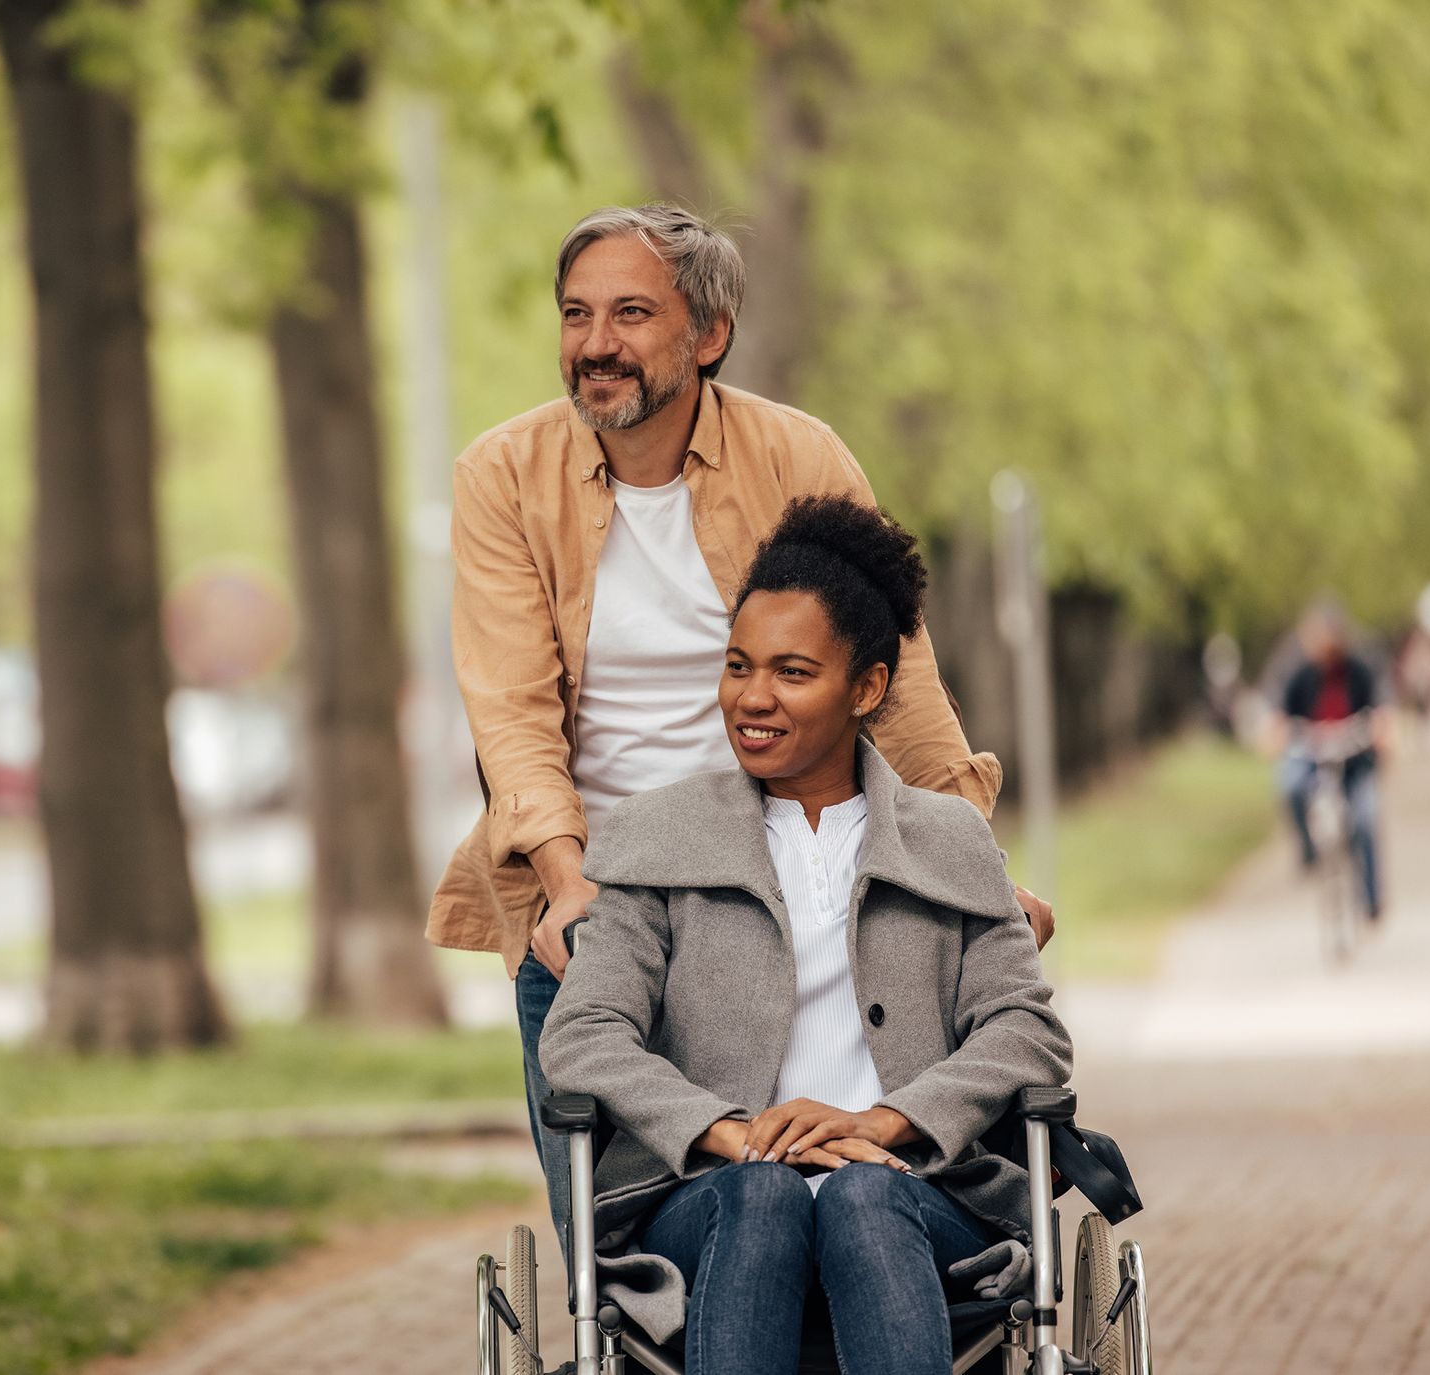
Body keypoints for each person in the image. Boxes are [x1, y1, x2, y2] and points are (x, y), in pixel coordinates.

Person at [425, 203, 1052, 1249]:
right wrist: (573, 882)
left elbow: (899, 684)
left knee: (834, 1193)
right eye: (576, 314)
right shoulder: (502, 476)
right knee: (611, 1260)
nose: (595, 344)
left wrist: (970, 866)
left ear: (708, 335)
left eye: (630, 313)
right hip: (599, 901)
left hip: (787, 882)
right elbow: (511, 708)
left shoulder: (798, 455)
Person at [539, 497, 1072, 1375]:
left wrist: (884, 1122)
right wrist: (734, 1134)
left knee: (861, 1196)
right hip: (710, 1192)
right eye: (738, 665)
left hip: (911, 1189)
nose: (752, 697)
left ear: (865, 687)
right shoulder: (658, 836)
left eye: (791, 672)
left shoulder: (949, 840)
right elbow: (584, 1033)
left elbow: (1026, 1031)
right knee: (765, 1197)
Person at [1272, 604, 1388, 919]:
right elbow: (1280, 717)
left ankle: (1371, 896)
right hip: (1313, 754)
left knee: (1365, 818)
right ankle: (1308, 848)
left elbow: (1380, 713)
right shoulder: (1301, 675)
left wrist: (1379, 734)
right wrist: (1283, 735)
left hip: (1354, 758)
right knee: (1290, 784)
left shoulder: (1359, 672)